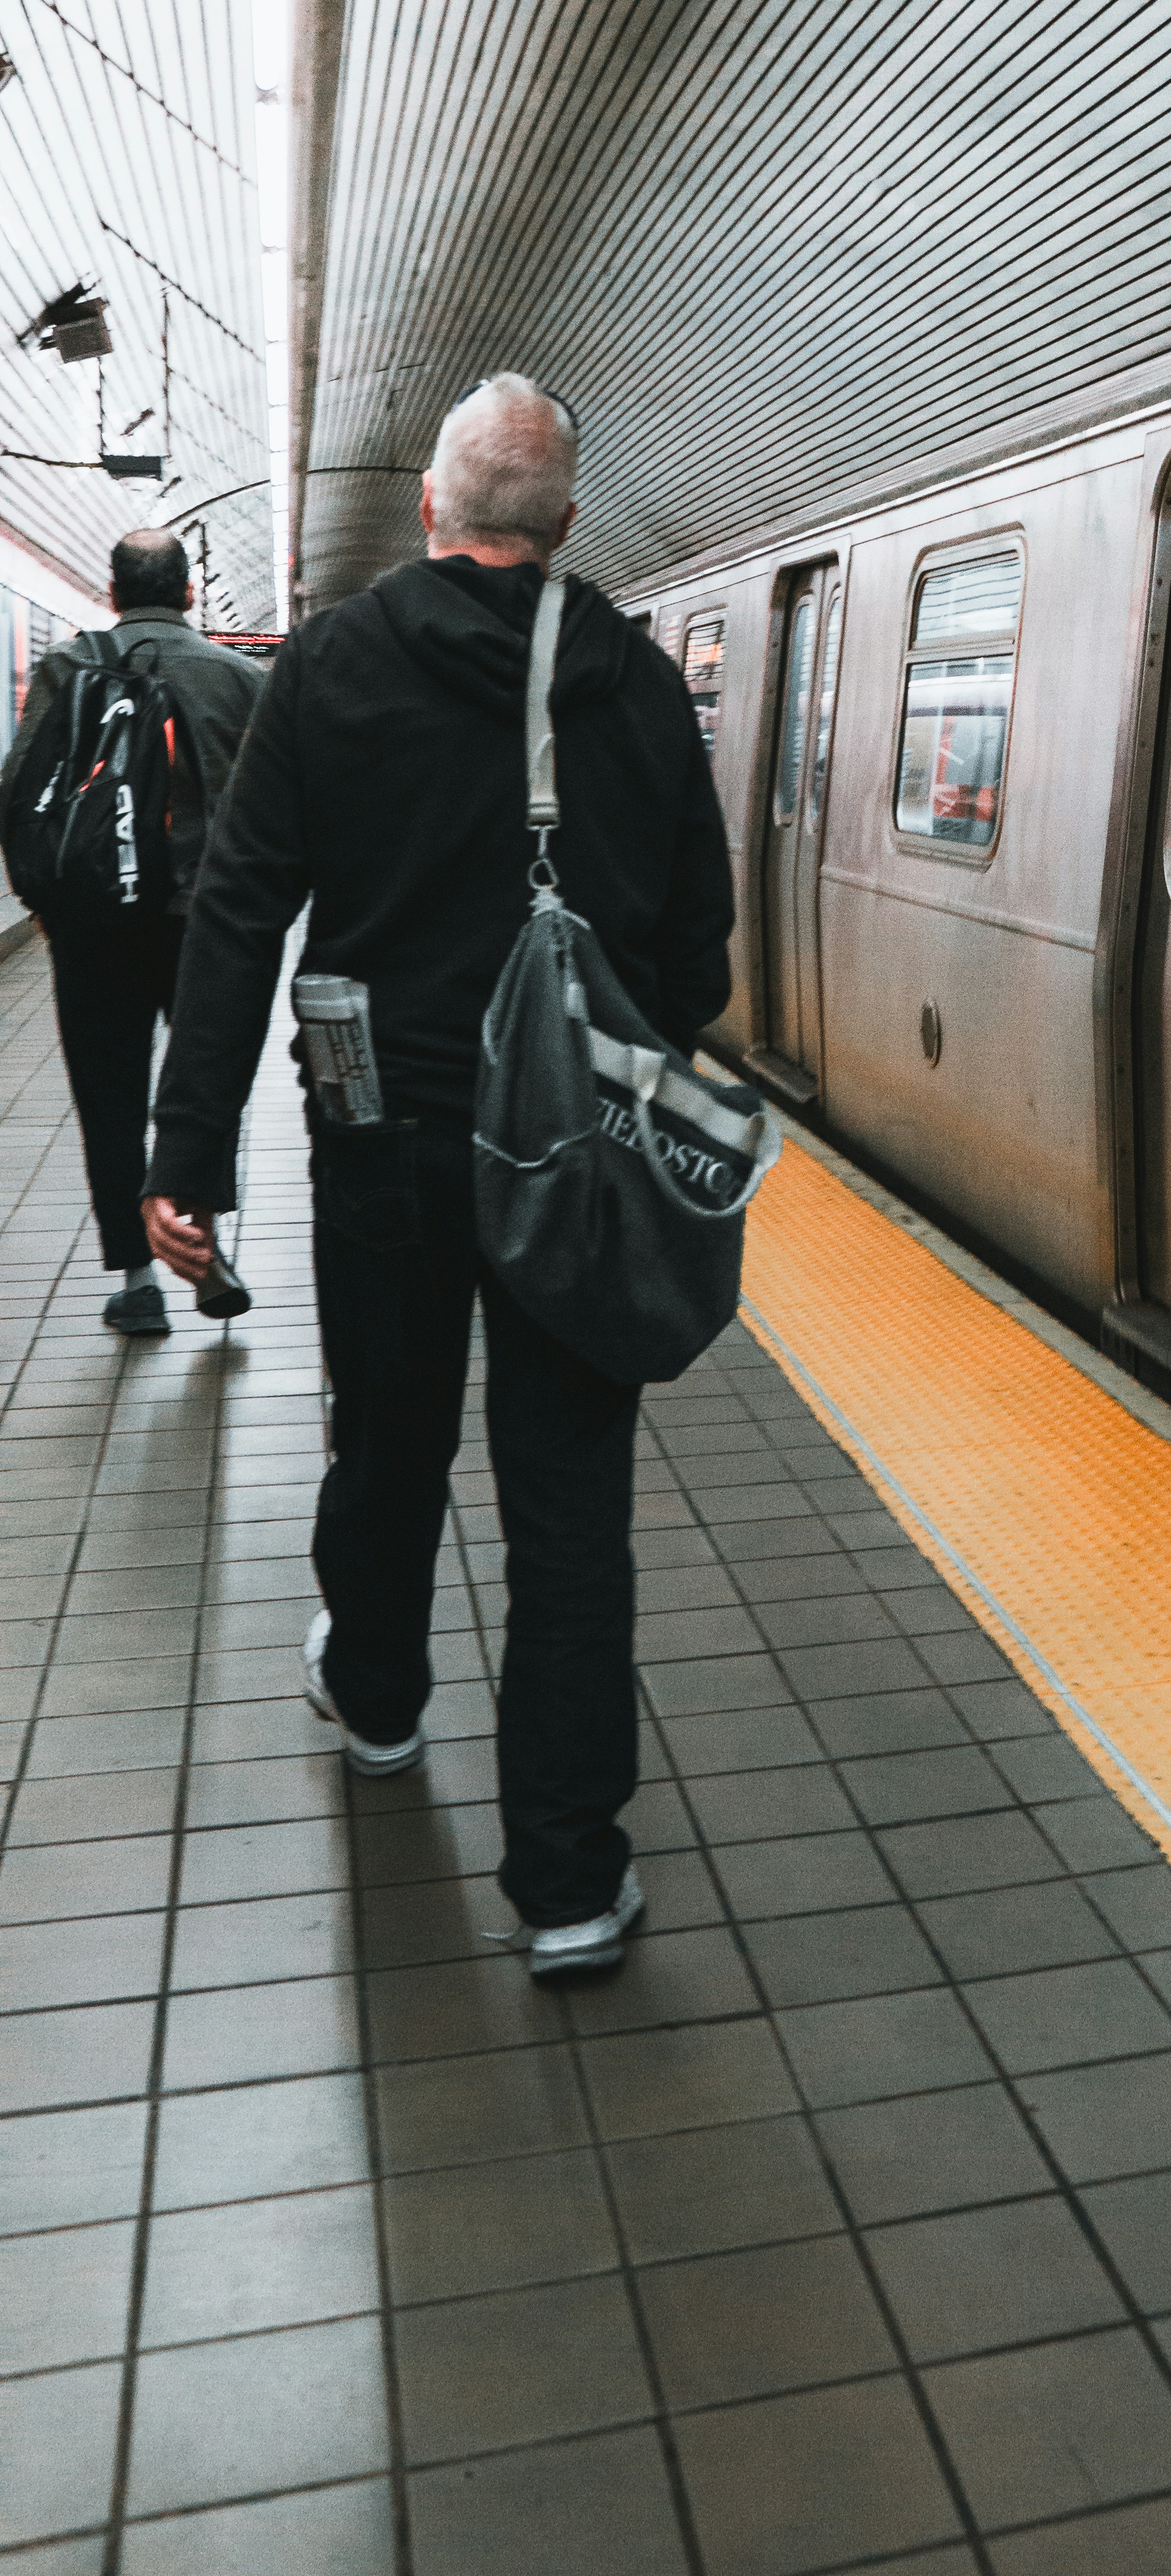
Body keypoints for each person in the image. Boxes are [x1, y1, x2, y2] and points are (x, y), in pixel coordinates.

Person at [140, 378, 734, 1979]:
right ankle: (566, 1885)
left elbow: (240, 912)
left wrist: (187, 1156)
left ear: (428, 508)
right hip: (575, 1161)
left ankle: (384, 1701)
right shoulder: (636, 680)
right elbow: (696, 953)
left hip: (378, 1133)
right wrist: (612, 1069)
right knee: (569, 1504)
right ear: (564, 529)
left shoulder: (334, 664)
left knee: (387, 1438)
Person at [0, 529, 262, 1333]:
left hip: (95, 929)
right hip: (204, 929)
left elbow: (21, 795)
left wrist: (46, 907)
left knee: (109, 1097)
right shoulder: (240, 678)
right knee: (201, 1092)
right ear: (189, 593)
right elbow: (266, 816)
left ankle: (140, 1279)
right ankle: (204, 1248)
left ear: (113, 593)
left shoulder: (67, 668)